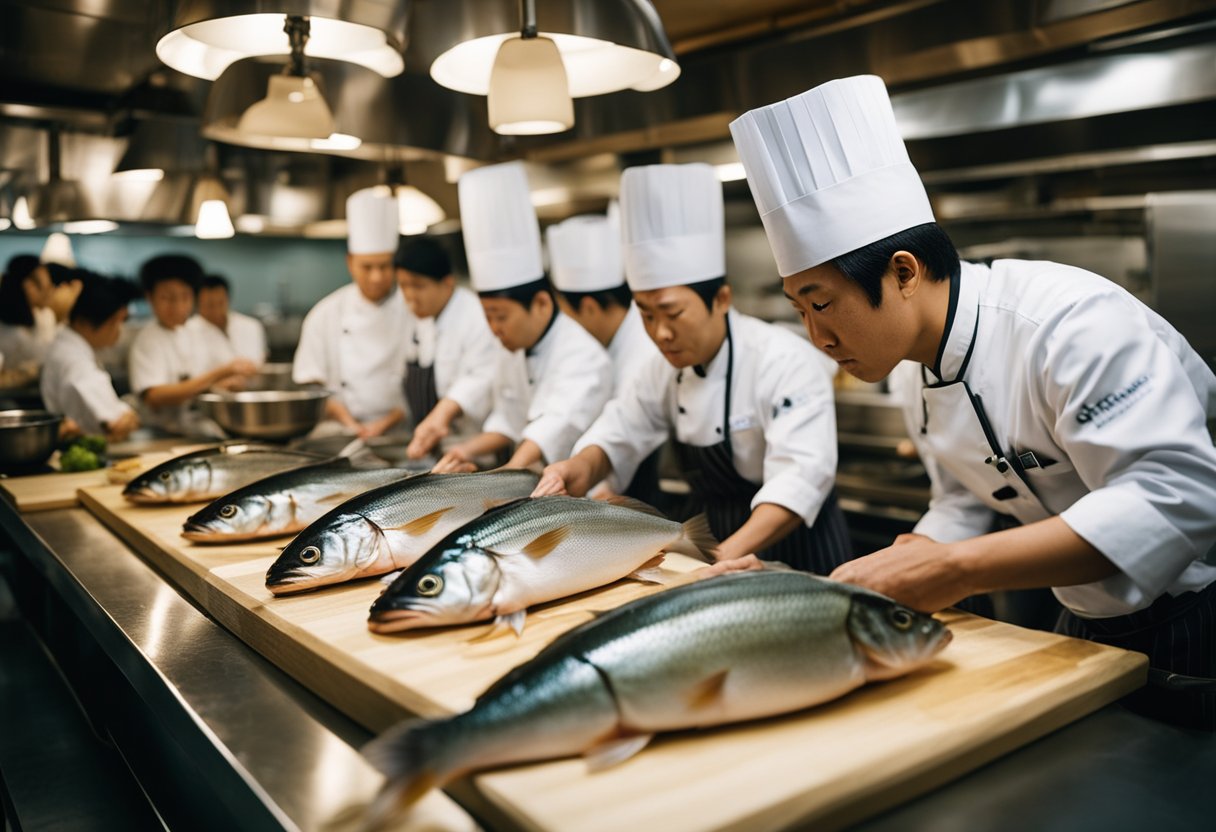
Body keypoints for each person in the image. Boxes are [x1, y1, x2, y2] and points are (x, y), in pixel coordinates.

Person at [728, 74, 1216, 728]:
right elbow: (964, 498)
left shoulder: (1067, 323)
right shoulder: (911, 369)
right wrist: (883, 570)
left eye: (822, 305)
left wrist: (954, 570)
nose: (817, 338)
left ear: (903, 271)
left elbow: (1175, 493)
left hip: (1200, 608)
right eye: (799, 311)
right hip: (1084, 615)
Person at [533, 163, 850, 573]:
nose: (660, 333)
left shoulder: (782, 360)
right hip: (711, 546)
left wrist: (724, 557)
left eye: (672, 313)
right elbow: (620, 430)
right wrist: (578, 468)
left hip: (796, 548)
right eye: (646, 315)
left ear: (720, 299)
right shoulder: (659, 370)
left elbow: (801, 478)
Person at [432, 161, 612, 473]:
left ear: (541, 303)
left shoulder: (584, 355)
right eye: (487, 316)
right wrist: (465, 450)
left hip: (582, 496)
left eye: (500, 316)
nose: (494, 329)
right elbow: (508, 419)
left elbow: (555, 423)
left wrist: (507, 473)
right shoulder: (512, 348)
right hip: (532, 483)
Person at [546, 211, 665, 502]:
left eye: (567, 313)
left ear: (588, 307)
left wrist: (598, 492)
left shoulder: (646, 348)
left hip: (648, 492)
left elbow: (630, 427)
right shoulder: (604, 344)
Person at [292, 188, 409, 438]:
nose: (376, 277)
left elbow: (425, 385)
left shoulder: (414, 310)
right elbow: (311, 388)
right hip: (341, 434)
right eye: (367, 267)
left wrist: (386, 423)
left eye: (384, 266)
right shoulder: (324, 314)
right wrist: (350, 423)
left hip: (402, 436)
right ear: (350, 263)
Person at [393, 236, 503, 460]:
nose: (410, 296)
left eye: (418, 286)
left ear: (447, 282)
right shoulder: (421, 318)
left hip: (479, 450)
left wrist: (443, 413)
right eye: (403, 286)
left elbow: (482, 377)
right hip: (437, 448)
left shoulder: (476, 317)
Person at [128, 254, 255, 434]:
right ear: (150, 297)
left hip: (203, 428)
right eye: (168, 298)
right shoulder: (148, 339)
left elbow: (227, 375)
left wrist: (226, 383)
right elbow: (154, 396)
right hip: (162, 433)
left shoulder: (201, 331)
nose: (178, 306)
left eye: (185, 297)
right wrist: (220, 373)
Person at [41, 271, 141, 441]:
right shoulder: (75, 359)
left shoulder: (70, 345)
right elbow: (117, 423)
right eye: (117, 321)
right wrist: (129, 415)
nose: (119, 330)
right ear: (84, 321)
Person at [192, 273, 268, 365]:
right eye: (210, 305)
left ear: (228, 299)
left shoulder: (251, 325)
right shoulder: (188, 331)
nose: (216, 310)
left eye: (221, 303)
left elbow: (261, 360)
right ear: (197, 303)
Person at [0, 254, 55, 372]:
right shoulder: (8, 330)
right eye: (46, 286)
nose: (51, 291)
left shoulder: (44, 316)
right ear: (28, 286)